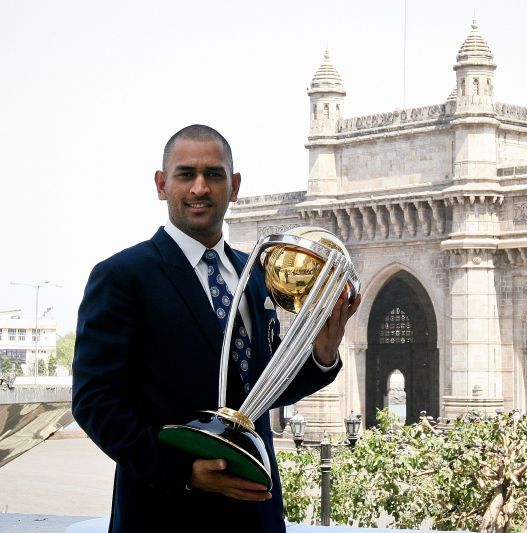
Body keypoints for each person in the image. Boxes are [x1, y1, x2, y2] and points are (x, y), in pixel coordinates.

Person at [72, 124, 361, 532]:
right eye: (186, 174)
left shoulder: (256, 274)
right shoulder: (122, 277)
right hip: (163, 514)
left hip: (256, 514)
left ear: (235, 185)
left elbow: (263, 388)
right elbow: (94, 403)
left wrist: (322, 355)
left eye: (214, 175)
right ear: (161, 184)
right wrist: (183, 470)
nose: (200, 188)